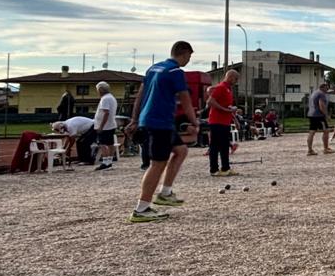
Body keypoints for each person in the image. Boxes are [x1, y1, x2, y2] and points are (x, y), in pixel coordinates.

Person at [124, 40, 197, 223]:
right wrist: (195, 121)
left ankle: (165, 192)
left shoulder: (153, 68)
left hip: (153, 119)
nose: (188, 60)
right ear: (184, 53)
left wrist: (135, 119)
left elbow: (140, 95)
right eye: (189, 56)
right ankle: (141, 208)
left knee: (181, 150)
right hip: (159, 122)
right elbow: (185, 99)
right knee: (157, 163)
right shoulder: (175, 72)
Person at [207, 69, 239, 174]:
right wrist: (226, 110)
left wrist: (234, 118)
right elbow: (210, 101)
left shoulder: (228, 89)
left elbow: (227, 106)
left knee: (224, 145)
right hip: (216, 121)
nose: (237, 81)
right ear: (229, 77)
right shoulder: (220, 87)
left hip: (224, 121)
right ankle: (214, 169)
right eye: (236, 78)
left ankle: (225, 168)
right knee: (215, 146)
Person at [92, 81, 119, 170]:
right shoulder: (112, 97)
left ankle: (105, 162)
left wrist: (101, 126)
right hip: (111, 124)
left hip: (105, 126)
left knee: (103, 144)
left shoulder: (105, 99)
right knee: (110, 144)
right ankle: (109, 161)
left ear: (101, 89)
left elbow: (106, 113)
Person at [305, 84, 332, 155]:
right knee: (326, 131)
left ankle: (310, 150)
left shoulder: (313, 93)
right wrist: (326, 115)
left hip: (311, 114)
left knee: (312, 132)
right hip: (319, 115)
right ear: (322, 87)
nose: (327, 90)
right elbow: (321, 105)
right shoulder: (321, 94)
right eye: (326, 88)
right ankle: (325, 149)